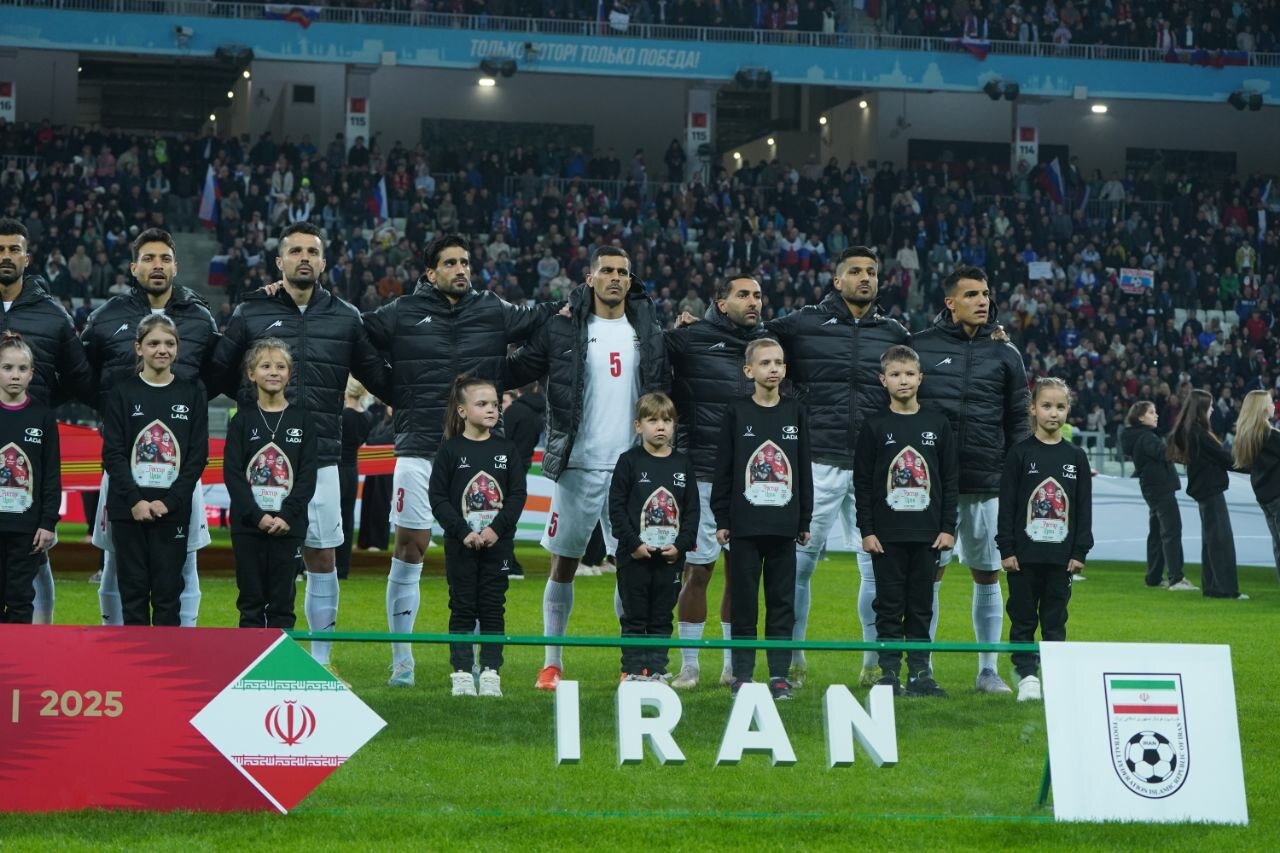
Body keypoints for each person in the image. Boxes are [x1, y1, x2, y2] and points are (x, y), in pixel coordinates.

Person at [363, 234, 553, 687]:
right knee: (409, 548)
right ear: (430, 273)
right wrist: (397, 389)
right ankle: (402, 663)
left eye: (465, 262)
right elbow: (356, 338)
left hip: (482, 455)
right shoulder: (402, 312)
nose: (461, 269)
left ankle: (482, 668)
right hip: (420, 448)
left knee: (484, 554)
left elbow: (542, 321)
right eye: (450, 263)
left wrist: (578, 299)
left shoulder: (492, 308)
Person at [210, 222, 387, 674]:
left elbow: (377, 375)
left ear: (323, 263)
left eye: (312, 251)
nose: (304, 258)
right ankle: (257, 661)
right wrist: (255, 408)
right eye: (295, 251)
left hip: (322, 456)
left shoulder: (346, 316)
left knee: (322, 556)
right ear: (279, 261)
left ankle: (320, 663)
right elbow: (219, 373)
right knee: (260, 561)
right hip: (260, 460)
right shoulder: (251, 311)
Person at [506, 246, 669, 691]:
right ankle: (551, 664)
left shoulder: (648, 329)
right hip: (578, 462)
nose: (615, 278)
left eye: (623, 272)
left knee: (633, 568)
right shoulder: (563, 327)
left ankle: (632, 663)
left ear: (631, 280)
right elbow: (517, 368)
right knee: (563, 564)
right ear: (590, 278)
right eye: (607, 271)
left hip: (632, 466)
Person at [766, 246, 909, 687]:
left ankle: (873, 664)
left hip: (875, 465)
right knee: (798, 566)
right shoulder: (803, 323)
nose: (865, 278)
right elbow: (749, 336)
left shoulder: (894, 332)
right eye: (856, 271)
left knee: (876, 568)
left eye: (872, 271)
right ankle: (793, 661)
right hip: (816, 461)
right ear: (837, 280)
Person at [81, 227, 220, 627]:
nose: (157, 266)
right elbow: (82, 375)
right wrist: (113, 408)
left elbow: (216, 375)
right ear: (133, 267)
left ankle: (182, 641)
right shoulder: (105, 317)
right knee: (115, 563)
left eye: (164, 259)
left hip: (179, 470)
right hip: (122, 465)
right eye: (148, 258)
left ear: (175, 266)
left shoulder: (200, 318)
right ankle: (116, 643)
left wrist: (180, 406)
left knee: (184, 562)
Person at [912, 265, 1030, 694]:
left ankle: (988, 670)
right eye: (972, 295)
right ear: (950, 302)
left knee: (987, 572)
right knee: (929, 575)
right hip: (933, 486)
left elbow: (1018, 420)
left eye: (985, 294)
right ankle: (922, 668)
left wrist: (1018, 475)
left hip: (987, 482)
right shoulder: (919, 347)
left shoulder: (1006, 353)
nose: (982, 301)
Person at [665, 275, 766, 689]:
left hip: (752, 479)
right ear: (721, 304)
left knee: (740, 575)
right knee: (698, 570)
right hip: (703, 474)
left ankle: (732, 667)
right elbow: (649, 353)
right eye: (743, 295)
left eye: (757, 295)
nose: (753, 301)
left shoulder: (769, 344)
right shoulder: (690, 339)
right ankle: (689, 665)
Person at [0, 218, 94, 625]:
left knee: (32, 566)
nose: (6, 257)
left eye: (13, 249)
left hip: (28, 451)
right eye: (0, 250)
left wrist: (36, 405)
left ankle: (34, 648)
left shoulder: (53, 316)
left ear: (27, 257)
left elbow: (79, 378)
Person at [854, 345, 957, 698]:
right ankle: (888, 674)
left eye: (910, 374)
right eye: (895, 374)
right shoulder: (874, 426)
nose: (903, 380)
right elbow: (863, 484)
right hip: (886, 535)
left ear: (920, 378)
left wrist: (948, 528)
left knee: (921, 606)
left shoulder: (937, 424)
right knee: (888, 605)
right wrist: (867, 530)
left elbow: (949, 481)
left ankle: (920, 674)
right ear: (883, 380)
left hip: (928, 534)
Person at [711, 338, 812, 700]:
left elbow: (802, 469)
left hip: (784, 526)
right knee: (744, 603)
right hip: (744, 525)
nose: (773, 369)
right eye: (765, 363)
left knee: (782, 603)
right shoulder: (736, 412)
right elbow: (724, 468)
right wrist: (722, 517)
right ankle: (742, 675)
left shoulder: (796, 411)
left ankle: (779, 676)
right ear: (748, 370)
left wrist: (804, 519)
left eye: (779, 363)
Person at [101, 315, 208, 626]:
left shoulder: (191, 393)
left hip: (172, 511)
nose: (162, 349)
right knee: (132, 594)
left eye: (169, 343)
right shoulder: (121, 392)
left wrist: (170, 502)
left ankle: (165, 656)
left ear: (177, 348)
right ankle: (135, 658)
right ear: (139, 348)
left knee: (167, 596)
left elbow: (196, 457)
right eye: (154, 343)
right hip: (128, 510)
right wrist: (135, 501)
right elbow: (113, 454)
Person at [428, 376, 527, 698]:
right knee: (462, 607)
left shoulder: (507, 449)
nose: (491, 410)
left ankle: (490, 671)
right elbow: (438, 498)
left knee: (493, 607)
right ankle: (461, 672)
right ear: (462, 410)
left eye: (495, 404)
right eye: (482, 404)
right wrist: (463, 532)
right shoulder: (450, 450)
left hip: (498, 547)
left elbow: (517, 495)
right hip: (461, 546)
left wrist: (495, 530)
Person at [997, 377, 1093, 702]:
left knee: (1055, 619)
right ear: (1033, 409)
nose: (1054, 413)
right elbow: (1007, 506)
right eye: (1047, 406)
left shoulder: (1076, 457)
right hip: (1023, 558)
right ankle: (1026, 676)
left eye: (1060, 407)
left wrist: (1080, 551)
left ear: (1068, 411)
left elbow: (1083, 509)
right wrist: (1006, 548)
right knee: (1022, 618)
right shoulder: (1019, 454)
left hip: (1061, 558)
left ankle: (1054, 675)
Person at [223, 339, 317, 628]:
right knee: (250, 601)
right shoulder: (241, 420)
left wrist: (287, 515)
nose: (273, 372)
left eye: (280, 366)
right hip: (249, 526)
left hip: (288, 526)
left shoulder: (303, 420)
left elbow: (307, 475)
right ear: (251, 374)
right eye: (265, 366)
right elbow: (233, 474)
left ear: (289, 374)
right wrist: (257, 516)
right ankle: (249, 655)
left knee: (282, 603)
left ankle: (281, 656)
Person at [609, 392, 699, 682]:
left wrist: (680, 546)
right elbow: (616, 509)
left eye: (667, 421)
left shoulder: (683, 464)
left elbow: (692, 512)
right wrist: (634, 544)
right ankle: (633, 671)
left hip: (670, 558)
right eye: (653, 420)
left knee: (662, 617)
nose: (661, 426)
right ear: (638, 426)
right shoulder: (628, 462)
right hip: (635, 557)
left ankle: (657, 671)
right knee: (634, 617)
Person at [0, 333, 59, 623]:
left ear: (32, 373)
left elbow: (51, 474)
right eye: (7, 367)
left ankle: (17, 651)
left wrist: (48, 523)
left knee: (21, 599)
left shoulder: (43, 416)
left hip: (27, 529)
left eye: (22, 369)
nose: (15, 375)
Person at [1167, 389, 1245, 600]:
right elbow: (1225, 459)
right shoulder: (1199, 433)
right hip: (1210, 490)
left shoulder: (1190, 431)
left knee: (1210, 541)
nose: (1212, 410)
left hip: (1204, 490)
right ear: (1201, 409)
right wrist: (1253, 466)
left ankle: (1212, 586)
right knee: (1220, 540)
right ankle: (1226, 589)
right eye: (1209, 406)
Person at [1120, 401, 1192, 590]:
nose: (1156, 415)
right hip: (1161, 489)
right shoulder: (1147, 437)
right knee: (1171, 531)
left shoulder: (1138, 436)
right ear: (1141, 417)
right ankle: (1176, 578)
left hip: (1152, 489)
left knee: (1157, 534)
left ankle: (1153, 578)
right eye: (1151, 412)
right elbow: (1165, 454)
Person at [1231, 389, 1280, 582]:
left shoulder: (1248, 435)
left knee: (1277, 543)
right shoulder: (1270, 435)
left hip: (1264, 496)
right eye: (1270, 402)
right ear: (1261, 408)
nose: (1273, 405)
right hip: (1277, 494)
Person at [500, 383, 546, 581]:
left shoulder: (514, 412)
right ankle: (509, 564)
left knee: (502, 519)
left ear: (518, 390)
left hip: (507, 470)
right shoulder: (539, 413)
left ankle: (509, 565)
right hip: (522, 468)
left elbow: (503, 441)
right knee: (508, 519)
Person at [337, 378, 373, 580]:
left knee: (331, 518)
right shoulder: (367, 417)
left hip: (337, 469)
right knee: (347, 520)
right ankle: (343, 567)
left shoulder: (342, 416)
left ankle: (326, 564)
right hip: (352, 471)